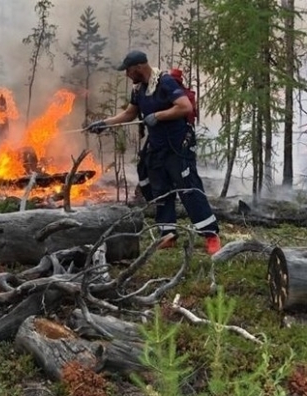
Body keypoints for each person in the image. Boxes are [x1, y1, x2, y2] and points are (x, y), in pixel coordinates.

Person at [86, 50, 221, 255]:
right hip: (157, 146)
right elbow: (130, 113)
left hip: (178, 146)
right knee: (160, 188)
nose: (127, 75)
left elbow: (184, 107)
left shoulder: (165, 82)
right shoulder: (139, 89)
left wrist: (158, 115)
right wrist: (105, 124)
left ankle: (211, 234)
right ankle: (167, 234)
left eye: (128, 70)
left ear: (139, 67)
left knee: (188, 188)